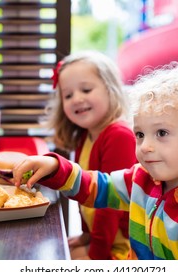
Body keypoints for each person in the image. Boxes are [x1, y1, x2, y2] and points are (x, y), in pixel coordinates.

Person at [15, 61, 178, 260]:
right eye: (140, 134)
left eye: (161, 133)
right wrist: (56, 167)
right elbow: (99, 187)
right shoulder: (142, 179)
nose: (145, 146)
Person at [43, 51, 137, 260]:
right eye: (68, 95)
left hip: (126, 248)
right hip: (104, 239)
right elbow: (85, 193)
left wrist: (98, 255)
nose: (77, 99)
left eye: (86, 89)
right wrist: (88, 236)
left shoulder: (119, 136)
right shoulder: (85, 136)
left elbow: (109, 205)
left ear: (110, 90)